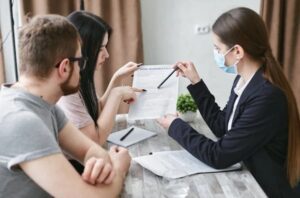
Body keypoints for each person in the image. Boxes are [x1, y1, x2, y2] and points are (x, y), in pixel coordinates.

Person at [158, 7, 300, 197]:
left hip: (265, 190)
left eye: (218, 49)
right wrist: (196, 82)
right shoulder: (244, 81)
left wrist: (176, 127)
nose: (215, 53)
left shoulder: (267, 97)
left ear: (238, 51)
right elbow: (222, 127)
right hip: (247, 178)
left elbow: (219, 155)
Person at [0, 14, 131, 197]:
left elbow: (90, 149)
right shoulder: (22, 122)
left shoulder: (46, 104)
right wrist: (119, 168)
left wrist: (100, 163)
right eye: (81, 62)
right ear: (64, 68)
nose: (82, 69)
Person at [57, 11, 143, 173]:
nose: (107, 55)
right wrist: (116, 95)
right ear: (84, 48)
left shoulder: (83, 77)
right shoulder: (67, 90)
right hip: (75, 169)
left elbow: (96, 113)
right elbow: (94, 140)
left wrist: (116, 78)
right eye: (101, 48)